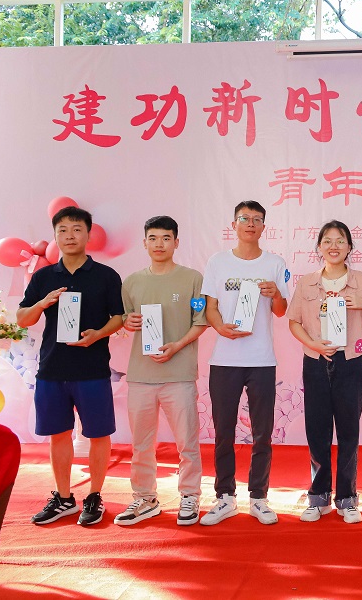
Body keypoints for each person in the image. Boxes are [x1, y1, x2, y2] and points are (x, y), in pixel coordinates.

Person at [18, 206, 124, 526]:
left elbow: (118, 317)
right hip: (52, 369)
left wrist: (98, 334)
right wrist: (43, 302)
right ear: (55, 236)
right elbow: (23, 318)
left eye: (76, 229)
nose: (69, 236)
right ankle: (64, 498)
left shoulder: (106, 275)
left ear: (88, 234)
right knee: (58, 435)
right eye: (62, 230)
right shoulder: (43, 277)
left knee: (98, 435)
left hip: (92, 369)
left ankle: (94, 495)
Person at [199, 201, 290, 526]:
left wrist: (275, 293)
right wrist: (220, 328)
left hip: (262, 360)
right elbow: (209, 306)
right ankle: (224, 496)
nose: (251, 224)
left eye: (257, 219)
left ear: (264, 226)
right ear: (234, 224)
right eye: (244, 218)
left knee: (262, 433)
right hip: (225, 359)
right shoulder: (218, 261)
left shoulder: (275, 263)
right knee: (223, 431)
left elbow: (281, 310)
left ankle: (258, 497)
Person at [115, 216, 207, 527]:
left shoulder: (192, 278)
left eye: (166, 238)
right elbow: (124, 319)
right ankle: (145, 497)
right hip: (141, 375)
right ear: (144, 243)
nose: (159, 244)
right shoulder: (132, 282)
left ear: (176, 242)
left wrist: (177, 345)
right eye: (153, 238)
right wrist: (127, 323)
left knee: (187, 442)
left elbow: (200, 322)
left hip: (179, 375)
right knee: (141, 443)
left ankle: (190, 495)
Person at [288, 220, 362, 524]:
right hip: (315, 361)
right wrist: (313, 344)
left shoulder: (361, 281)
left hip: (349, 362)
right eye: (327, 241)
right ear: (319, 247)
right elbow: (294, 322)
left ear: (350, 247)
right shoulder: (307, 283)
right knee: (317, 431)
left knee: (348, 431)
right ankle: (319, 498)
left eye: (340, 240)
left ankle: (347, 499)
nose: (333, 246)